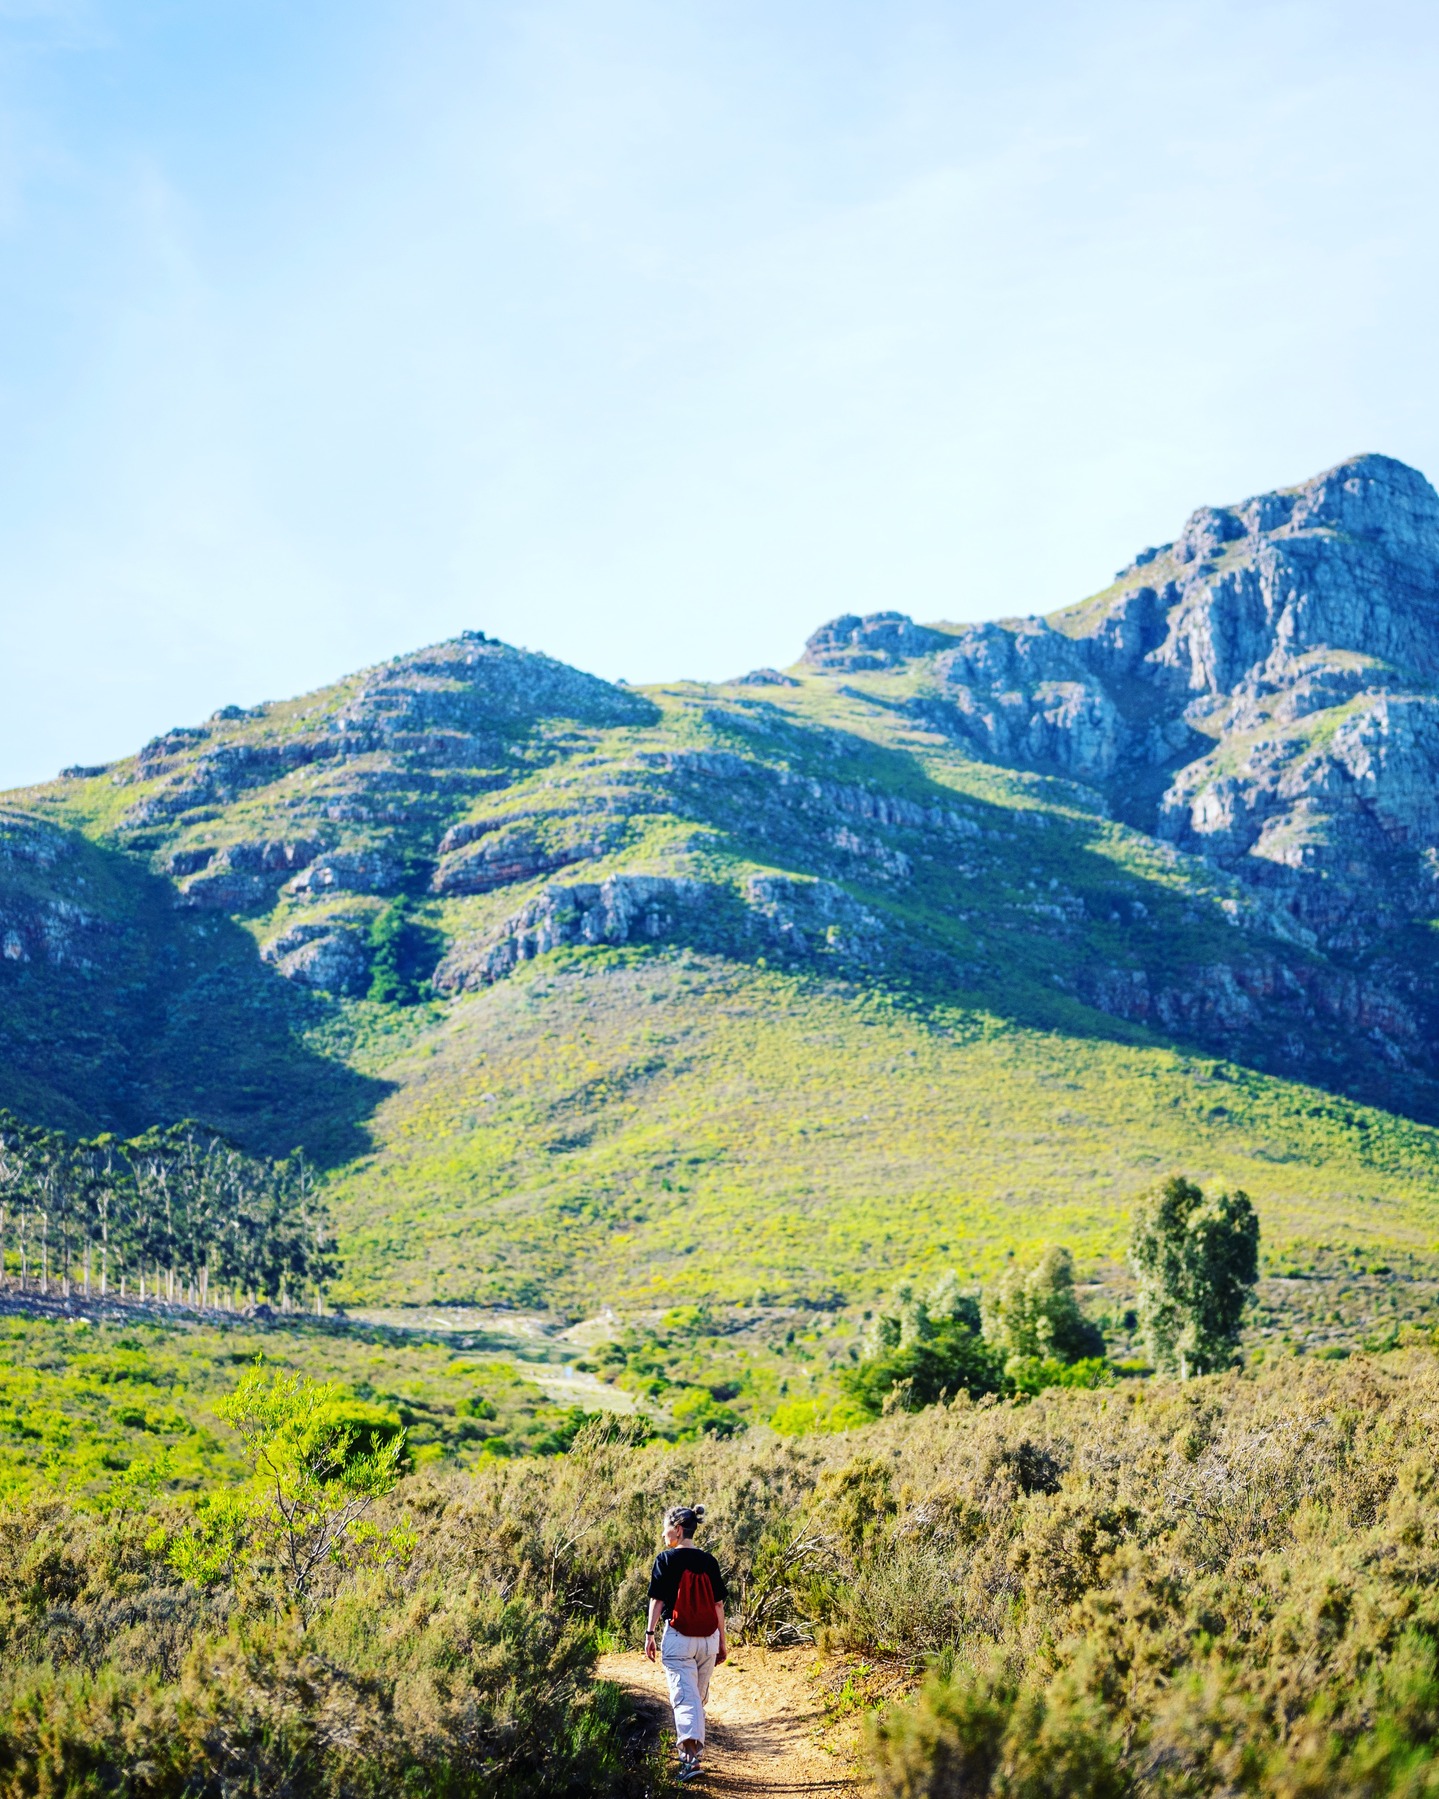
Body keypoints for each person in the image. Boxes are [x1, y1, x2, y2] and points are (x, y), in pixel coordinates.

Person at [645, 1503, 728, 1782]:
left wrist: (650, 1634)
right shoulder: (709, 1561)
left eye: (666, 1529)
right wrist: (723, 1643)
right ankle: (691, 1754)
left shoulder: (665, 1560)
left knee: (685, 1699)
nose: (663, 1535)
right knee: (696, 1698)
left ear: (678, 1529)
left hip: (679, 1638)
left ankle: (690, 1762)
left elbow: (657, 1601)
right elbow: (718, 1606)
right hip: (708, 1639)